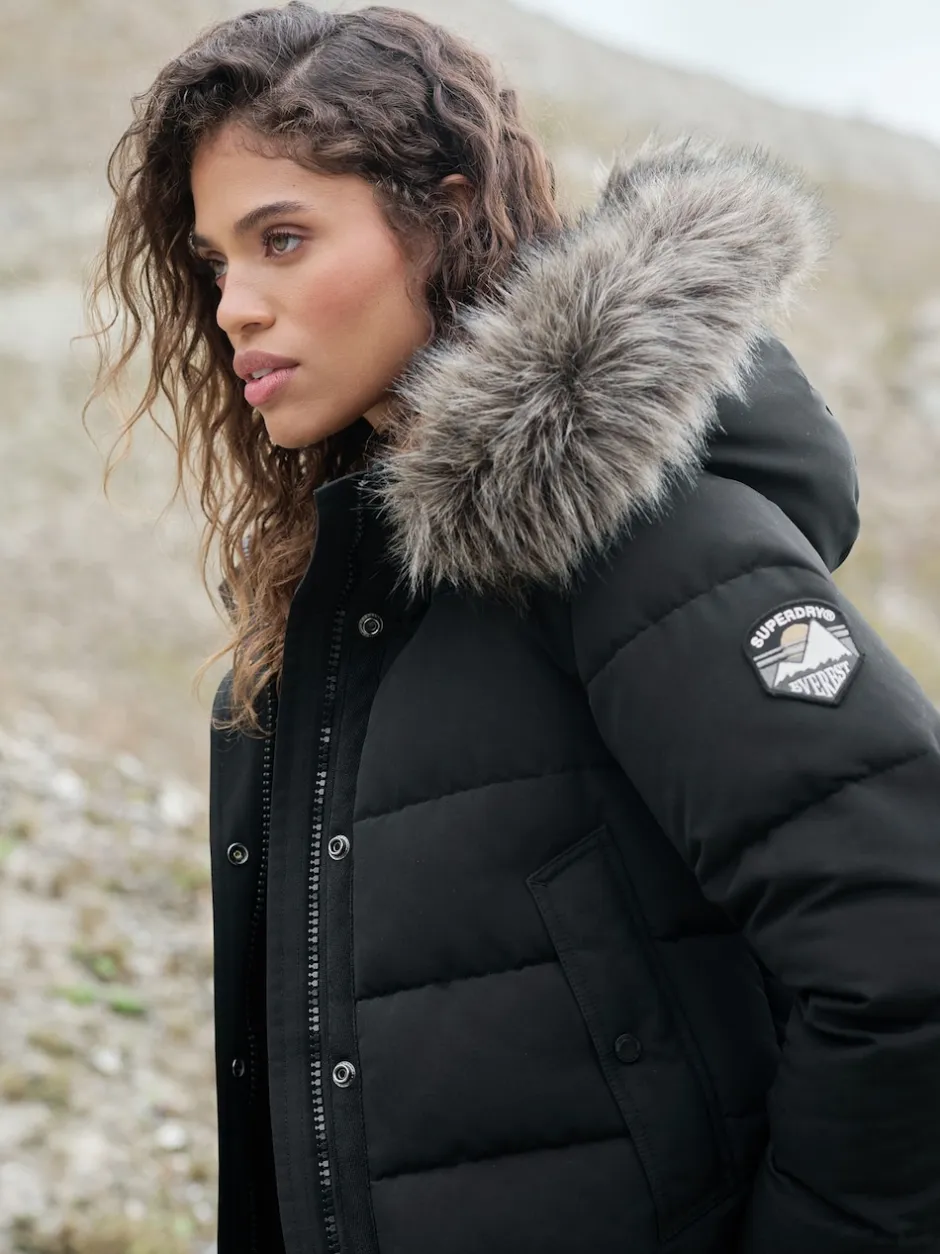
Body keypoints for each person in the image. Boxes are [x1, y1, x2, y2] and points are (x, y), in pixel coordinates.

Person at [85, 3, 940, 1252]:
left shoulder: (651, 546)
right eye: (217, 262)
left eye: (283, 239)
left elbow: (910, 952)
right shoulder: (319, 633)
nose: (234, 308)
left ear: (440, 213)